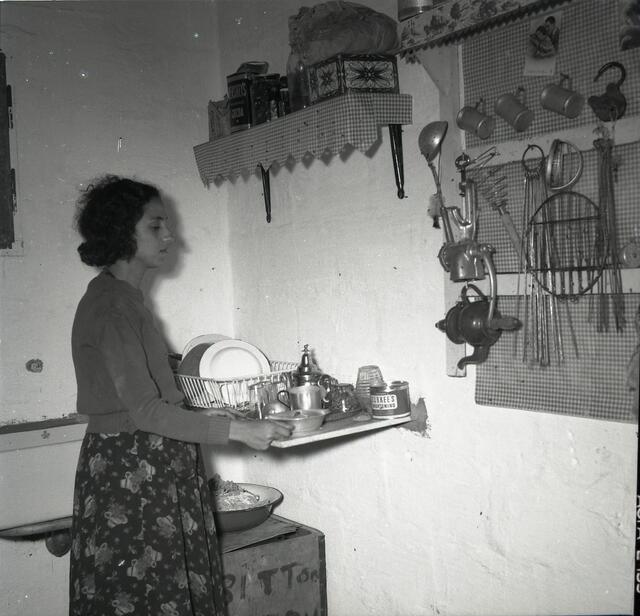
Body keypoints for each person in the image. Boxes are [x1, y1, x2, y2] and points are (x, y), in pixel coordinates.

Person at [69, 175, 292, 616]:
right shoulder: (114, 307)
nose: (169, 235)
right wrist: (239, 429)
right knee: (144, 597)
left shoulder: (123, 300)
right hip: (133, 472)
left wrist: (201, 399)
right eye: (155, 226)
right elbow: (147, 410)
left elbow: (145, 388)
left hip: (147, 463)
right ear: (121, 233)